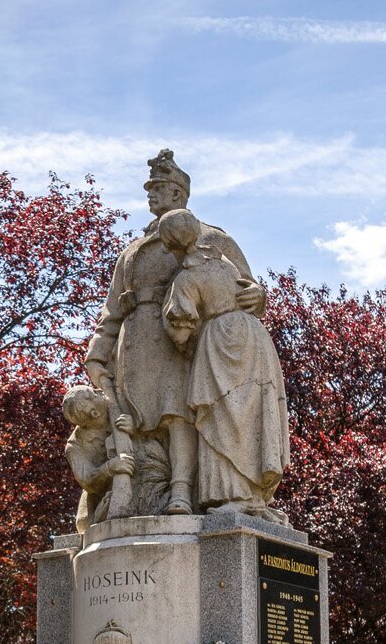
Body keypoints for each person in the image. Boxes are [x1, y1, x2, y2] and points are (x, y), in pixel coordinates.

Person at [84, 150, 261, 515]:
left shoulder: (212, 238)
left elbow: (245, 290)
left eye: (158, 188)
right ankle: (135, 495)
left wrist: (259, 295)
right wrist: (97, 352)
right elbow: (112, 310)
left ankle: (181, 490)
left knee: (177, 414)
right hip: (133, 347)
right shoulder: (131, 251)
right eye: (150, 189)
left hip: (180, 343)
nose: (150, 194)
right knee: (134, 422)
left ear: (178, 193)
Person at [158, 208, 290, 522]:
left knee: (222, 417)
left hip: (219, 340)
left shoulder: (186, 278)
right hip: (253, 336)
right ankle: (255, 497)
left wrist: (175, 333)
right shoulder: (224, 261)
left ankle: (235, 496)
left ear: (172, 245)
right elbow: (252, 291)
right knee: (254, 414)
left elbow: (180, 329)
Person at [62, 385, 136, 534]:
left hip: (143, 470)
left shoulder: (119, 403)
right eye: (93, 395)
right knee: (85, 523)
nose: (99, 390)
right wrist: (109, 468)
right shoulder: (74, 447)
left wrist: (136, 426)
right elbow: (87, 481)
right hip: (102, 495)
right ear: (94, 412)